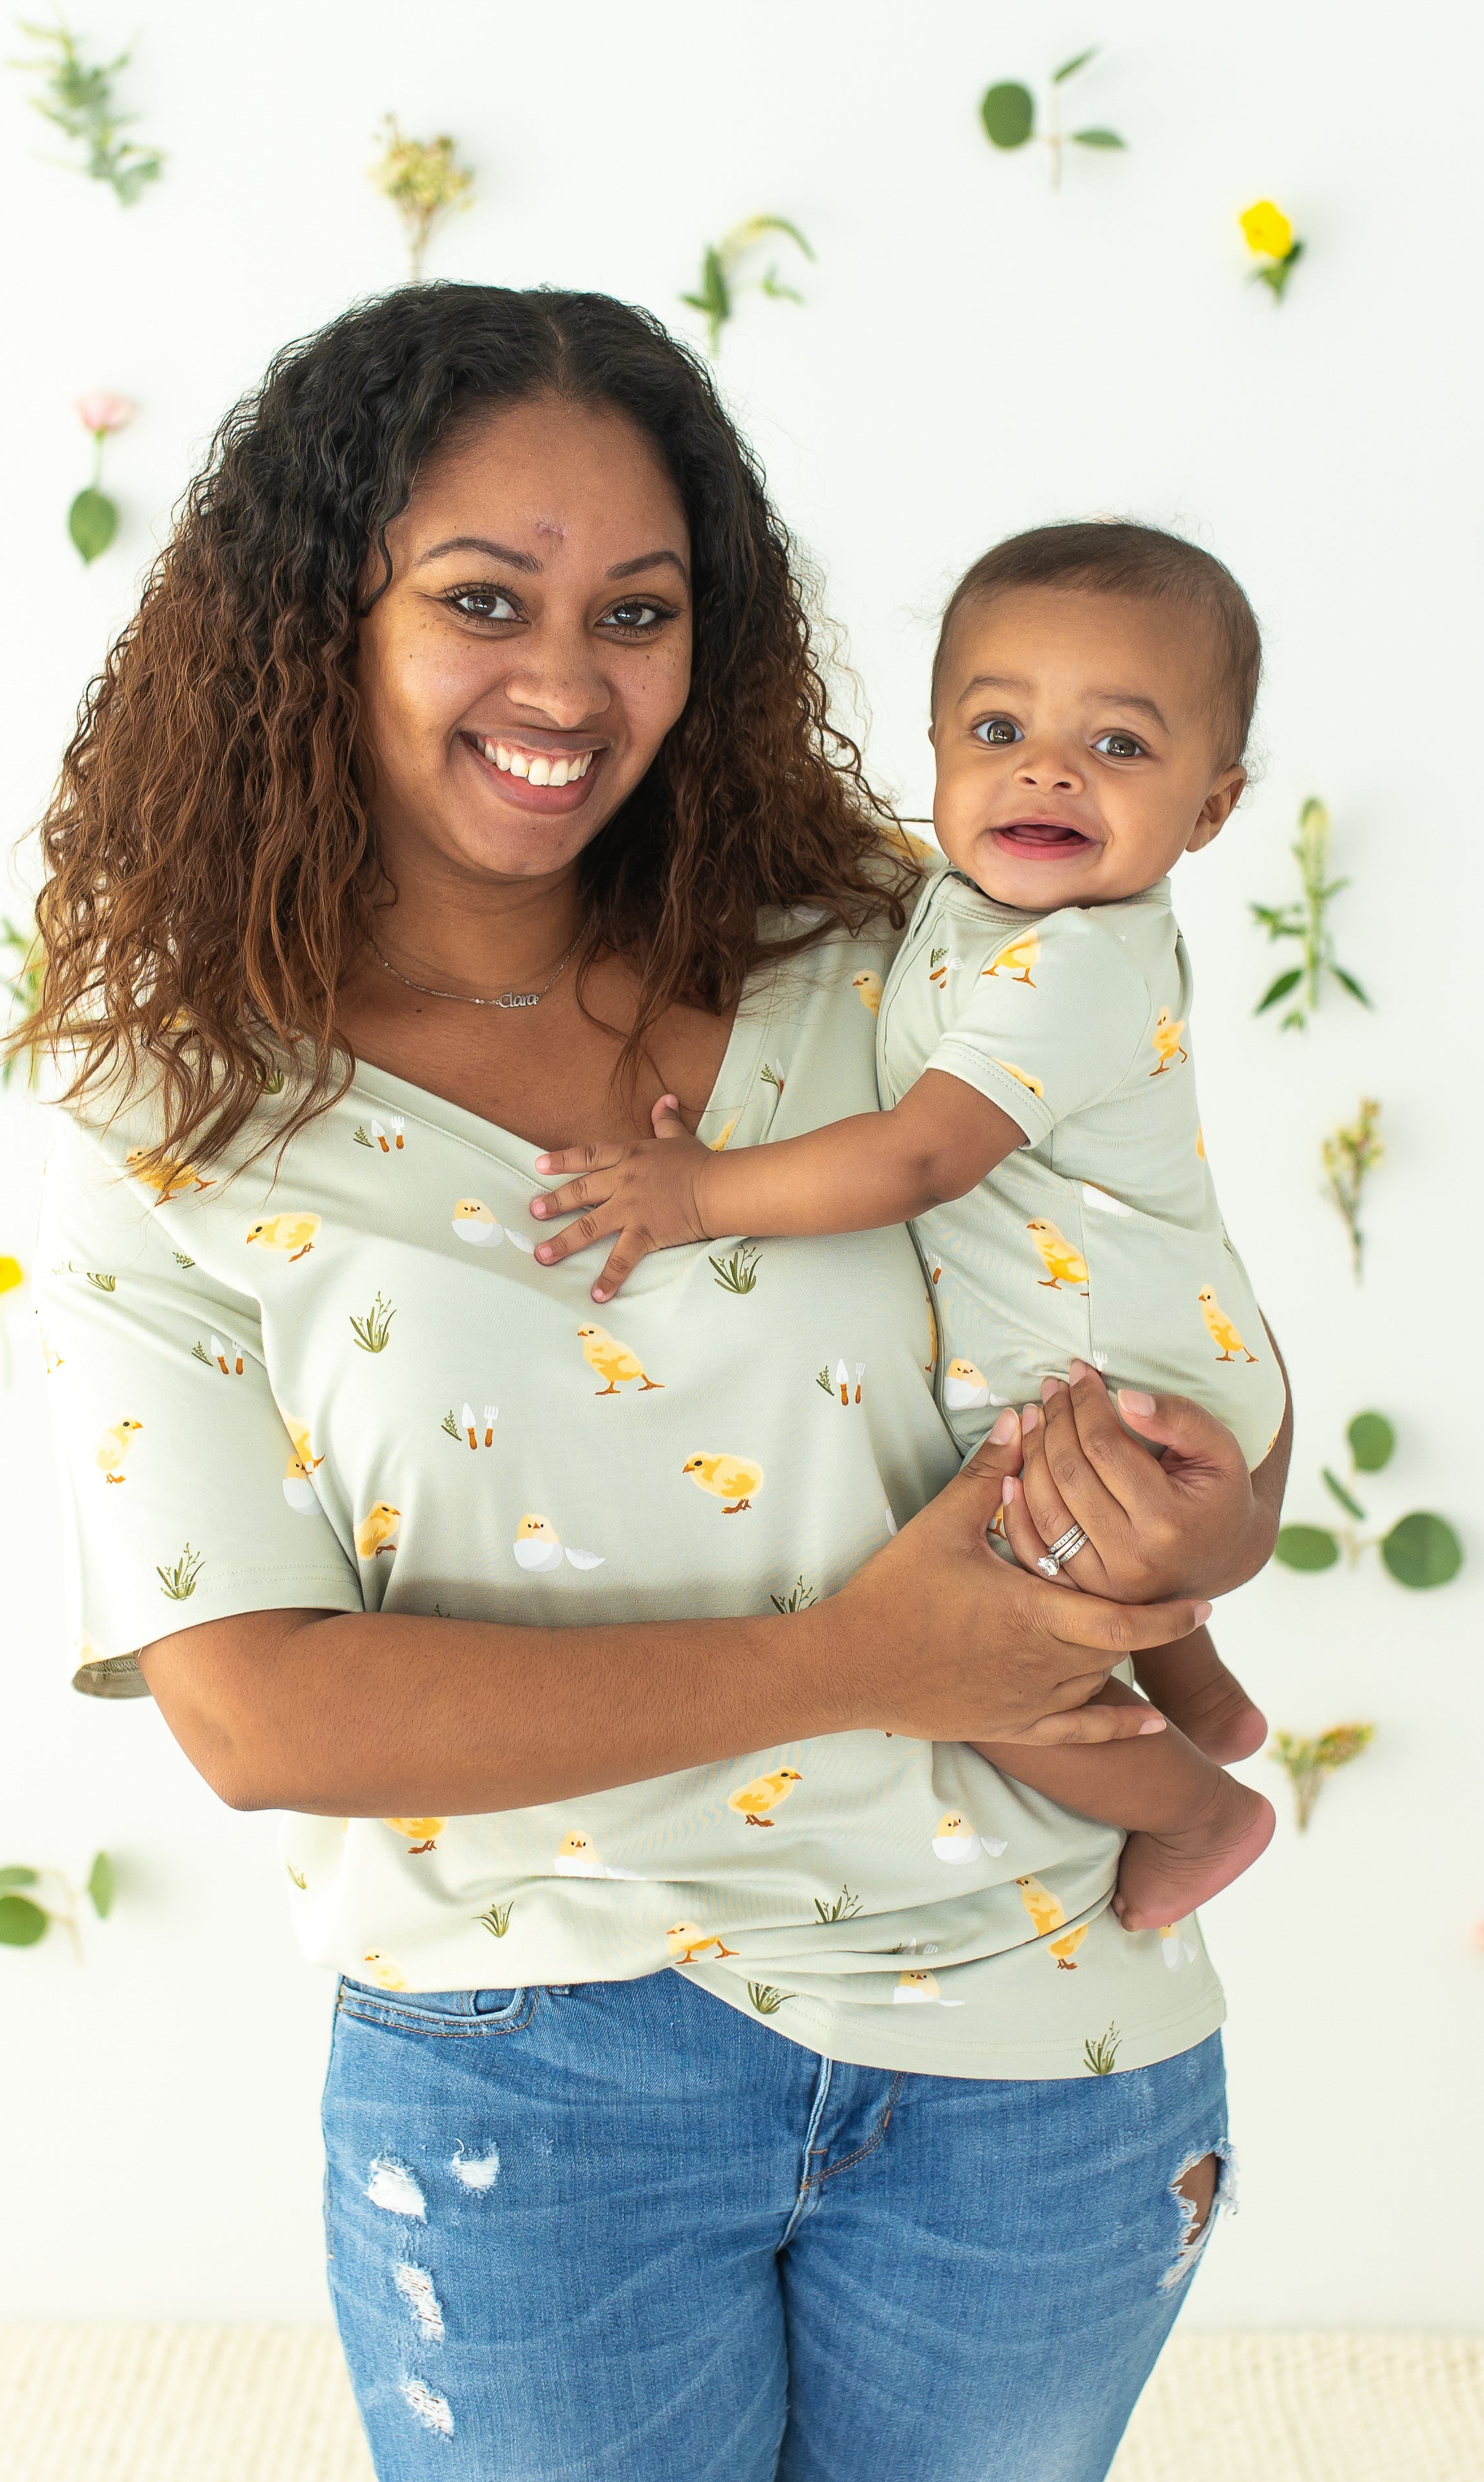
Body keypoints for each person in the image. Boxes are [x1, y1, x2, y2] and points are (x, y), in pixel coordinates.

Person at [15, 280, 1291, 2482]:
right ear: (317, 623)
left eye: (638, 609)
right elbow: (257, 1715)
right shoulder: (169, 1120)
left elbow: (1173, 1337)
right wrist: (858, 1665)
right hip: (535, 2086)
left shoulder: (901, 954)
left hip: (1038, 2041)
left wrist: (1203, 1523)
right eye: (482, 600)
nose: (568, 682)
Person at [524, 521, 1284, 1935]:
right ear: (931, 745)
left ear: (1211, 807)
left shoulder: (1074, 965)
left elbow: (921, 1152)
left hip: (1115, 1398)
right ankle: (1203, 1691)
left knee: (981, 1658)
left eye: (1118, 747)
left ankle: (1198, 1810)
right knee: (1054, 1600)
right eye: (998, 727)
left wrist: (695, 1194)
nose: (1046, 769)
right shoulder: (956, 904)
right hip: (1139, 1349)